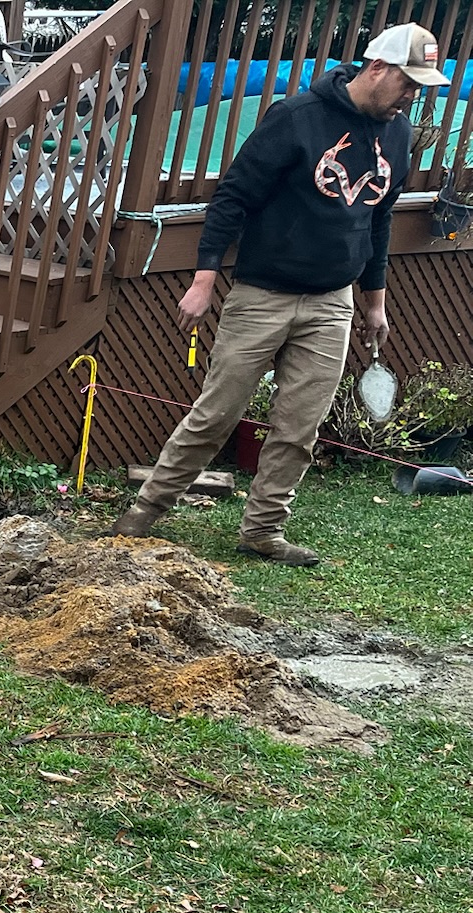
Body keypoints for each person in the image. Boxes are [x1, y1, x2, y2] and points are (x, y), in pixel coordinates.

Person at [113, 23, 447, 566]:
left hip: (332, 299)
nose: (413, 96)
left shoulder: (398, 134)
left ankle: (263, 531)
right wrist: (204, 280)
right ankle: (144, 513)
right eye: (408, 83)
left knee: (300, 426)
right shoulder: (296, 118)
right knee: (216, 413)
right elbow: (232, 199)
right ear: (378, 68)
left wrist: (374, 300)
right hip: (262, 293)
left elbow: (378, 219)